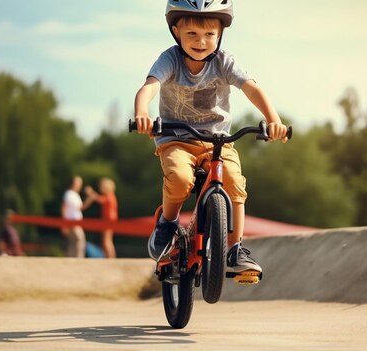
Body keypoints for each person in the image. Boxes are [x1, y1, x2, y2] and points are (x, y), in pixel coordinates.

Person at [133, 0, 289, 274]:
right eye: (192, 33)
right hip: (176, 138)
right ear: (175, 32)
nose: (201, 41)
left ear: (220, 34)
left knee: (233, 182)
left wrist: (273, 120)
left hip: (217, 140)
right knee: (180, 179)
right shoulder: (170, 60)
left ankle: (236, 249)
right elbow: (149, 87)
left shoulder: (224, 62)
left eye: (209, 34)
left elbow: (252, 89)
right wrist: (142, 113)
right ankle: (167, 222)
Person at [84, 177, 119, 258]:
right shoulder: (110, 195)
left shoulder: (109, 195)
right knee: (106, 240)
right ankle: (109, 257)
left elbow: (100, 200)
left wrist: (91, 193)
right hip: (108, 221)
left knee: (107, 241)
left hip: (109, 221)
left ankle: (111, 258)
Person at [61, 175, 87, 258]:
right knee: (79, 240)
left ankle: (72, 259)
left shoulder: (76, 195)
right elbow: (64, 208)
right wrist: (64, 223)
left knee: (73, 242)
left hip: (76, 222)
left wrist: (90, 199)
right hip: (72, 222)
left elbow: (80, 208)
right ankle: (77, 259)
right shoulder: (69, 194)